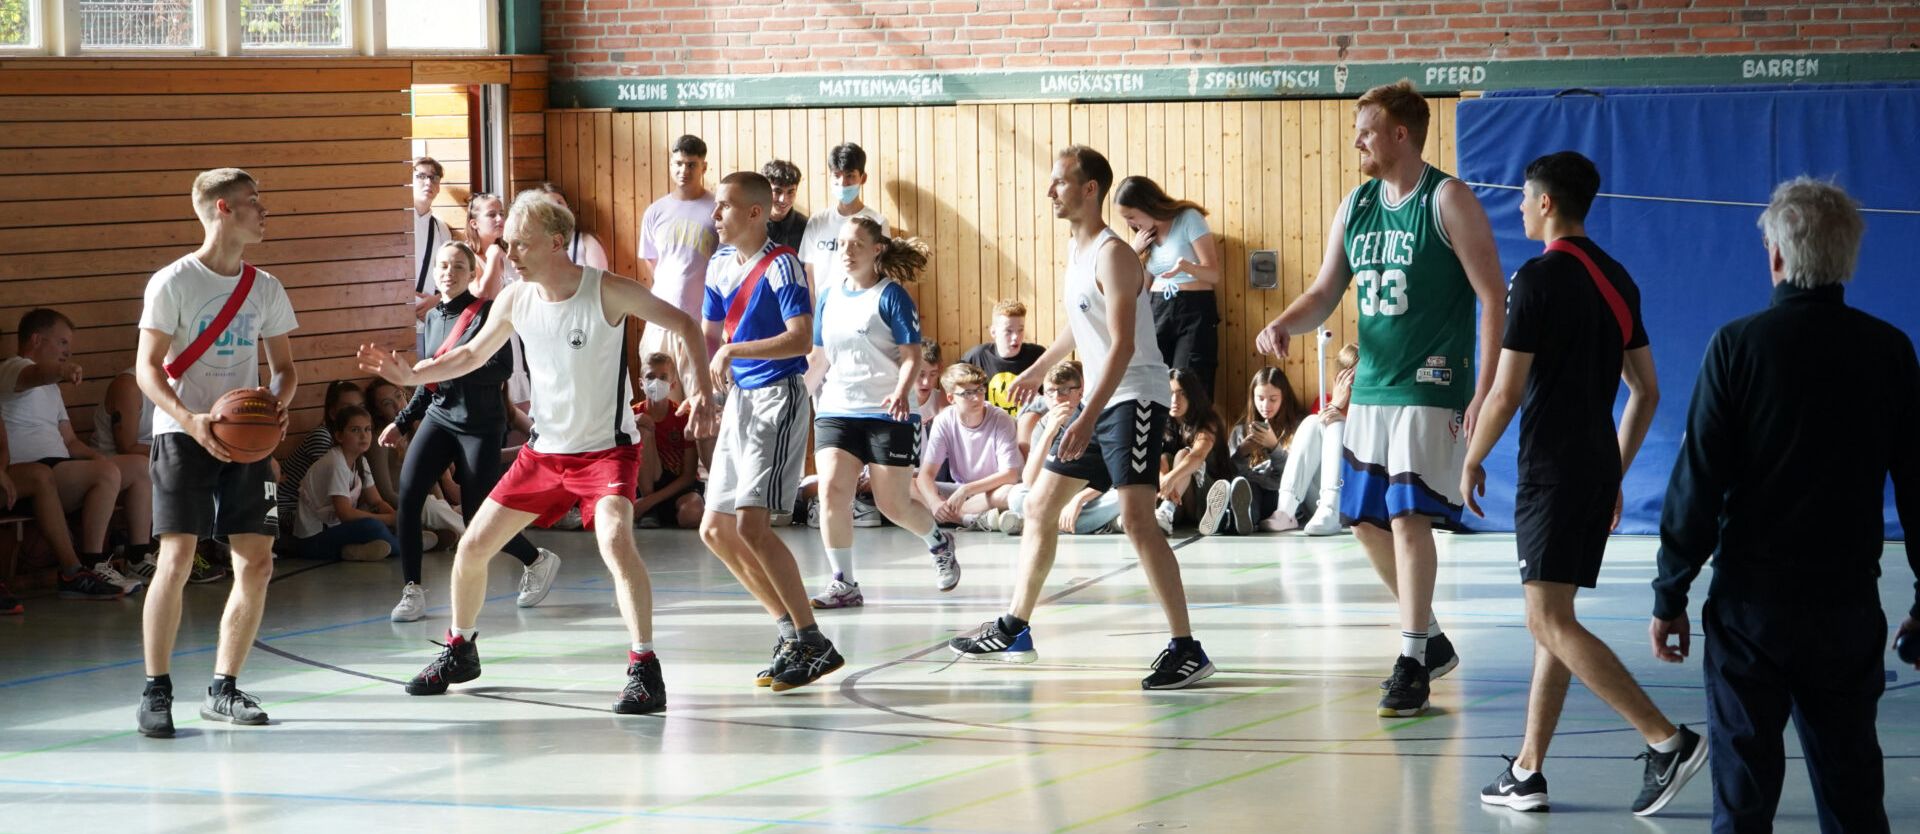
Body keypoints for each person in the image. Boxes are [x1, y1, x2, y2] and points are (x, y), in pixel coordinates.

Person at [359, 189, 717, 715]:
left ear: (556, 242)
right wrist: (414, 374)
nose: (511, 255)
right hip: (544, 454)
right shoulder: (515, 298)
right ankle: (460, 648)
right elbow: (470, 354)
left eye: (521, 245)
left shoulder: (607, 292)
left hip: (605, 453)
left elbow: (684, 324)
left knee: (616, 542)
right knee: (472, 547)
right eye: (507, 244)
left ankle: (644, 667)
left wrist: (702, 390)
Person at [1653, 178, 1916, 834]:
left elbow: (1698, 483)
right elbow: (1917, 482)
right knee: (1853, 793)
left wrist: (1670, 593)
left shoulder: (1737, 348)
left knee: (1743, 802)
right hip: (1847, 607)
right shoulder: (1888, 352)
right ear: (1849, 259)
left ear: (1775, 257)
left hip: (1751, 612)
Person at [1253, 81, 1506, 716]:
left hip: (1430, 385)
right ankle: (1432, 639)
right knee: (1363, 521)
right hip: (1370, 386)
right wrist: (1284, 321)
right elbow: (1323, 291)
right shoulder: (1358, 204)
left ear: (1400, 134)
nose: (1356, 139)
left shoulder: (1448, 199)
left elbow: (1494, 295)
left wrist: (1487, 386)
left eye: (1367, 128)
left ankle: (1411, 658)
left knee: (1406, 516)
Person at [1461, 151, 1703, 815]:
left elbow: (1506, 393)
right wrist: (1614, 471)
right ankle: (1528, 769)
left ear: (1544, 204)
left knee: (1546, 617)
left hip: (1552, 470)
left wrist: (1473, 457)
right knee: (1555, 618)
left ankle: (1666, 740)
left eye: (1522, 198)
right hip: (1593, 467)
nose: (1516, 207)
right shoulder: (1617, 279)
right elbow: (1646, 391)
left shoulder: (1536, 278)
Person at [948, 145, 1210, 690]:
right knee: (1040, 504)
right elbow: (1075, 328)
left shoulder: (1115, 255)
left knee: (1139, 520)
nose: (1050, 192)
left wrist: (1086, 415)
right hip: (1103, 402)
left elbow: (1119, 346)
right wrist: (1036, 371)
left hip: (1134, 397)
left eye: (1060, 182)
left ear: (1090, 189)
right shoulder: (1077, 250)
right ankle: (1015, 628)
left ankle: (1187, 647)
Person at [136, 167, 300, 737]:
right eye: (254, 202)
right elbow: (146, 370)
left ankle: (224, 689)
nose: (264, 211)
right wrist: (191, 420)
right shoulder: (173, 282)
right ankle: (156, 691)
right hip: (183, 433)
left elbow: (284, 371)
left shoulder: (266, 286)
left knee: (257, 560)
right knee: (177, 559)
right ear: (222, 210)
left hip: (246, 439)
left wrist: (277, 407)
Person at [694, 171, 844, 693]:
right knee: (714, 530)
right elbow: (709, 335)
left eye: (726, 206)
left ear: (756, 213)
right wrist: (701, 392)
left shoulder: (782, 267)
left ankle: (811, 636)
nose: (716, 216)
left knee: (753, 526)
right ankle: (790, 633)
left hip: (777, 397)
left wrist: (735, 352)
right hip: (738, 401)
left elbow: (801, 340)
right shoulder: (717, 265)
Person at [384, 240, 560, 623]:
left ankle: (536, 559)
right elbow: (427, 380)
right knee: (410, 495)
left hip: (480, 426)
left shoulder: (487, 312)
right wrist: (402, 420)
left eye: (458, 267)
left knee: (479, 518)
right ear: (434, 273)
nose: (449, 272)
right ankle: (412, 589)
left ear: (471, 274)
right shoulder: (431, 319)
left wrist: (457, 365)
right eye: (443, 266)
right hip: (439, 417)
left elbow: (501, 369)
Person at [806, 216, 959, 609]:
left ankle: (937, 541)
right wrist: (795, 397)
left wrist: (900, 391)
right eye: (841, 244)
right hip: (837, 408)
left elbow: (911, 356)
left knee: (892, 505)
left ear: (877, 250)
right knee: (831, 492)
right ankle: (844, 583)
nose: (847, 251)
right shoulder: (828, 294)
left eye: (856, 244)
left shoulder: (892, 296)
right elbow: (819, 358)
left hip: (885, 410)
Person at [2, 309, 155, 595]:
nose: (67, 352)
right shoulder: (13, 368)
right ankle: (93, 564)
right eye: (61, 344)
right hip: (29, 471)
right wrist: (62, 371)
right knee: (105, 472)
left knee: (136, 466)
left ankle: (138, 555)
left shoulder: (52, 390)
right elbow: (35, 373)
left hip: (61, 467)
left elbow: (71, 442)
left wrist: (104, 460)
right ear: (36, 339)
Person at [1115, 176, 1222, 397]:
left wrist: (1185, 267)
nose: (1130, 224)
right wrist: (1133, 252)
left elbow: (1213, 274)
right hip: (1156, 310)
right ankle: (1162, 432)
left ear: (1146, 205)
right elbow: (1141, 288)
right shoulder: (1145, 237)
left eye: (1131, 216)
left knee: (1189, 381)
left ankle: (1192, 431)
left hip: (1192, 310)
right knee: (1155, 380)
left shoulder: (1188, 219)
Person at [638, 135, 720, 403]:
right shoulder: (656, 211)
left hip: (701, 325)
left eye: (691, 165)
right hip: (660, 322)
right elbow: (652, 262)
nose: (684, 171)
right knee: (659, 403)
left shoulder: (716, 208)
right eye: (679, 163)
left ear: (703, 167)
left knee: (701, 402)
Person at [1003, 361, 1124, 537]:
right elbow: (1030, 480)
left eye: (1065, 390)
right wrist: (1050, 432)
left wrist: (1078, 499)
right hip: (1057, 496)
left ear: (1080, 393)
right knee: (1016, 495)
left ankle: (1039, 522)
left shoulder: (1094, 421)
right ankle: (1099, 524)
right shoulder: (1043, 425)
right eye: (1050, 392)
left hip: (1091, 496)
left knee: (1122, 497)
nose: (1057, 398)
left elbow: (1111, 478)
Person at [1249, 348, 1358, 535]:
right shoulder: (1325, 402)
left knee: (1337, 425)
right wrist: (1336, 405)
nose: (1355, 383)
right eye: (1350, 377)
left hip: (1359, 499)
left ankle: (1331, 508)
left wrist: (1343, 416)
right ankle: (1285, 511)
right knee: (1313, 421)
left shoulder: (1375, 407)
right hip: (1318, 502)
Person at [913, 363, 1022, 530]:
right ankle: (969, 519)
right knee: (908, 485)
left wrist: (965, 490)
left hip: (992, 491)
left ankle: (953, 517)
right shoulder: (943, 420)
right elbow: (925, 475)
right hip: (960, 493)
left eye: (979, 390)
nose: (977, 398)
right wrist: (935, 502)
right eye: (967, 393)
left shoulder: (1001, 419)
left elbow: (1010, 475)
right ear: (951, 398)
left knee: (1011, 493)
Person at [290, 406, 402, 561]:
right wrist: (388, 519)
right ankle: (408, 546)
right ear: (339, 436)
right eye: (355, 430)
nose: (363, 435)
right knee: (372, 526)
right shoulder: (336, 462)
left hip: (335, 532)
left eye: (368, 429)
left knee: (384, 521)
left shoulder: (361, 460)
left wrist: (395, 518)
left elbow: (376, 501)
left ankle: (359, 551)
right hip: (312, 541)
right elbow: (346, 514)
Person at [276, 380, 364, 540]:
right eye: (347, 407)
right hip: (289, 510)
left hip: (321, 509)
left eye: (359, 406)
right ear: (332, 413)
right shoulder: (322, 437)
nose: (355, 412)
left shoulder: (356, 440)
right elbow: (335, 493)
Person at [631, 352, 704, 530]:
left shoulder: (682, 417)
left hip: (677, 486)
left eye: (663, 377)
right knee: (643, 426)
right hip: (645, 482)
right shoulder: (631, 415)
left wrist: (649, 501)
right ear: (641, 383)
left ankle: (650, 508)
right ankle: (649, 512)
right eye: (650, 377)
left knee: (692, 515)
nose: (657, 382)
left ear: (672, 384)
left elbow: (688, 476)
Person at [1162, 367, 1238, 535]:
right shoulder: (1164, 422)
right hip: (1179, 502)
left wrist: (1170, 478)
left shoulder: (1208, 421)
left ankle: (1166, 510)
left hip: (1208, 497)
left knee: (1184, 455)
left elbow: (1197, 456)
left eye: (1181, 393)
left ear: (1192, 396)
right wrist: (1164, 481)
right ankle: (1165, 511)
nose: (1175, 399)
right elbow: (1157, 460)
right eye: (1171, 392)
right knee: (1164, 458)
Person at [962, 299, 1046, 416]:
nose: (1015, 337)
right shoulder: (977, 356)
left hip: (1027, 426)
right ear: (993, 332)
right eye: (1008, 331)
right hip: (990, 427)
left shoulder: (1039, 355)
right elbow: (951, 385)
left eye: (1020, 330)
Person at [409, 156, 453, 356]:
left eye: (434, 178)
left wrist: (437, 299)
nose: (428, 182)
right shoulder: (394, 221)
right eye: (421, 176)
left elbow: (449, 272)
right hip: (397, 317)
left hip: (430, 320)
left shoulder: (441, 228)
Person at [536, 183, 610, 269]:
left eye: (559, 203)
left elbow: (600, 280)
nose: (557, 209)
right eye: (549, 206)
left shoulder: (586, 242)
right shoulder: (535, 244)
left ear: (568, 208)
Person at [763, 159, 806, 252]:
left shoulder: (806, 226)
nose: (783, 199)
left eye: (790, 192)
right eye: (777, 191)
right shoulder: (749, 224)